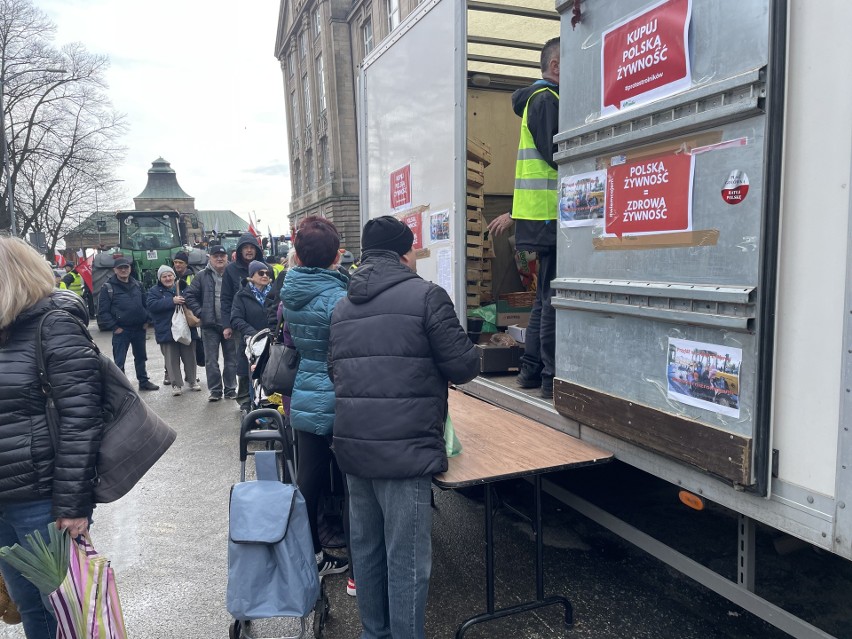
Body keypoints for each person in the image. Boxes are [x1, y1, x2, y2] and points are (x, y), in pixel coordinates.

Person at [329, 215, 480, 638]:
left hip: (355, 449)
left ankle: (374, 634)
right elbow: (463, 365)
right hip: (405, 449)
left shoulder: (343, 305)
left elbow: (333, 370)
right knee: (407, 560)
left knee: (368, 549)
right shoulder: (427, 296)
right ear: (405, 252)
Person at [0, 237, 103, 639]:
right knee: (28, 606)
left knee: (64, 609)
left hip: (43, 501)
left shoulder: (54, 324)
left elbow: (82, 421)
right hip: (4, 498)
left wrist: (74, 505)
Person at [488, 37, 560, 399]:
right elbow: (558, 153)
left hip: (539, 215)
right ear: (556, 66)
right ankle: (547, 377)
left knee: (544, 296)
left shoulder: (537, 100)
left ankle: (532, 371)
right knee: (550, 298)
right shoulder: (546, 99)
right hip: (550, 215)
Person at [280, 216, 351, 584]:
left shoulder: (293, 288)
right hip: (337, 391)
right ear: (336, 256)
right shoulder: (337, 296)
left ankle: (311, 556)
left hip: (306, 388)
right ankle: (358, 564)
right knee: (351, 481)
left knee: (309, 479)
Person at [97, 256, 159, 391]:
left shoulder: (138, 285)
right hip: (121, 331)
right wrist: (115, 327)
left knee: (141, 357)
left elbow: (146, 304)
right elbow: (103, 311)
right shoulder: (107, 288)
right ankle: (122, 387)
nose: (124, 270)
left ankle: (143, 382)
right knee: (120, 361)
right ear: (115, 270)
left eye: (126, 267)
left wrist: (147, 320)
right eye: (120, 268)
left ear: (130, 269)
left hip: (139, 329)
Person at [185, 244, 237, 402]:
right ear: (210, 258)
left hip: (230, 325)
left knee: (231, 360)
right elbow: (189, 295)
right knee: (211, 360)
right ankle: (215, 391)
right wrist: (201, 313)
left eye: (222, 255)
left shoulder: (233, 274)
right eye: (216, 256)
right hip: (209, 326)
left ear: (227, 257)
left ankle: (230, 389)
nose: (220, 258)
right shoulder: (202, 275)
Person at [221, 233, 263, 411]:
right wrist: (227, 324)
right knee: (244, 361)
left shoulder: (264, 268)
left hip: (262, 324)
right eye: (245, 247)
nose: (249, 250)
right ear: (239, 251)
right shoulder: (231, 270)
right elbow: (225, 299)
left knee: (264, 361)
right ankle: (245, 398)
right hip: (240, 325)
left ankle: (263, 397)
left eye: (252, 247)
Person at [229, 260, 277, 409]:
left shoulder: (275, 293)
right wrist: (253, 333)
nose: (265, 275)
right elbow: (236, 319)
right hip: (252, 342)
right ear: (251, 276)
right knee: (252, 375)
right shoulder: (241, 296)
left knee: (272, 374)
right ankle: (251, 405)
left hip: (272, 341)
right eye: (260, 273)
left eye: (267, 273)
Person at [147, 265, 200, 396]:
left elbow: (194, 299)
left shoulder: (182, 286)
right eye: (164, 276)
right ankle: (176, 384)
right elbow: (152, 305)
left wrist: (185, 301)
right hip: (167, 330)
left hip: (186, 328)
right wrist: (172, 301)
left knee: (190, 357)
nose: (167, 278)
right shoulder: (154, 291)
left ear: (174, 276)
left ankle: (192, 381)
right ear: (160, 278)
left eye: (169, 275)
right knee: (171, 360)